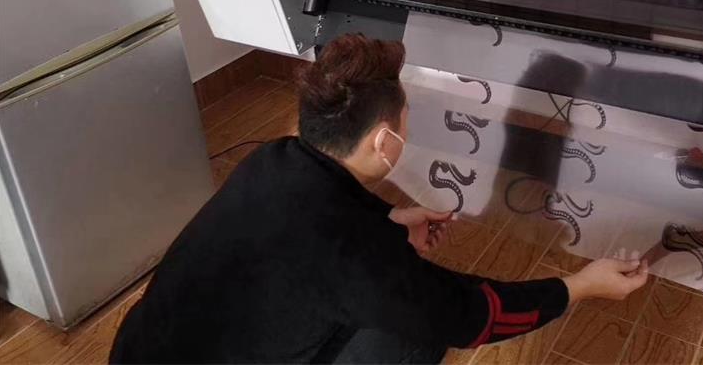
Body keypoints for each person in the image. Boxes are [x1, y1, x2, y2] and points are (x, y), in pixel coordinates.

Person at [109, 33, 649, 364]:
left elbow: (315, 222)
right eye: (407, 118)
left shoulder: (271, 159)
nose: (408, 129)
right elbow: (467, 315)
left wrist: (390, 218)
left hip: (136, 351)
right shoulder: (357, 260)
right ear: (384, 141)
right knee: (411, 337)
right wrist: (579, 287)